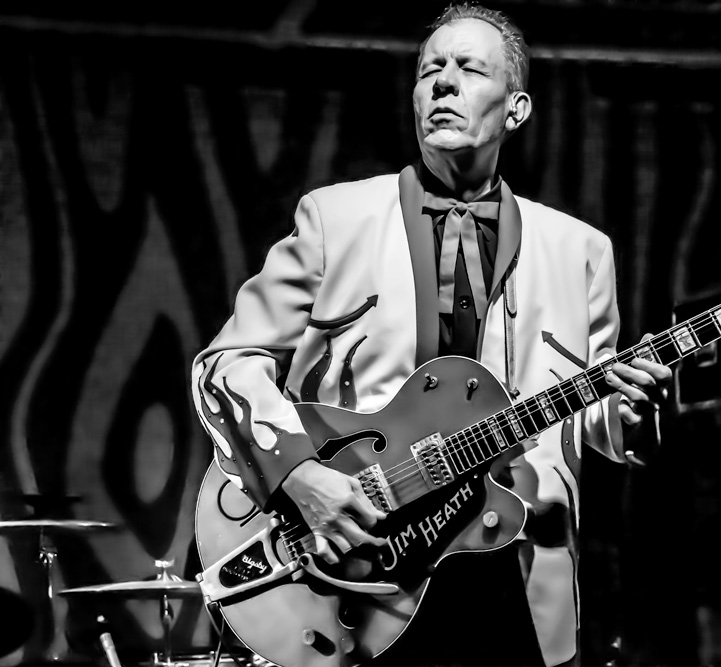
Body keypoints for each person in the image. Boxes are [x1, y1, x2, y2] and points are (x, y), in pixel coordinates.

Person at [191, 4, 672, 667]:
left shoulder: (581, 250)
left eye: (469, 68)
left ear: (516, 108)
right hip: (356, 569)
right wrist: (301, 476)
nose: (442, 82)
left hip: (516, 567)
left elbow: (597, 418)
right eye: (429, 71)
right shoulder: (337, 217)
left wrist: (632, 408)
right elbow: (226, 365)